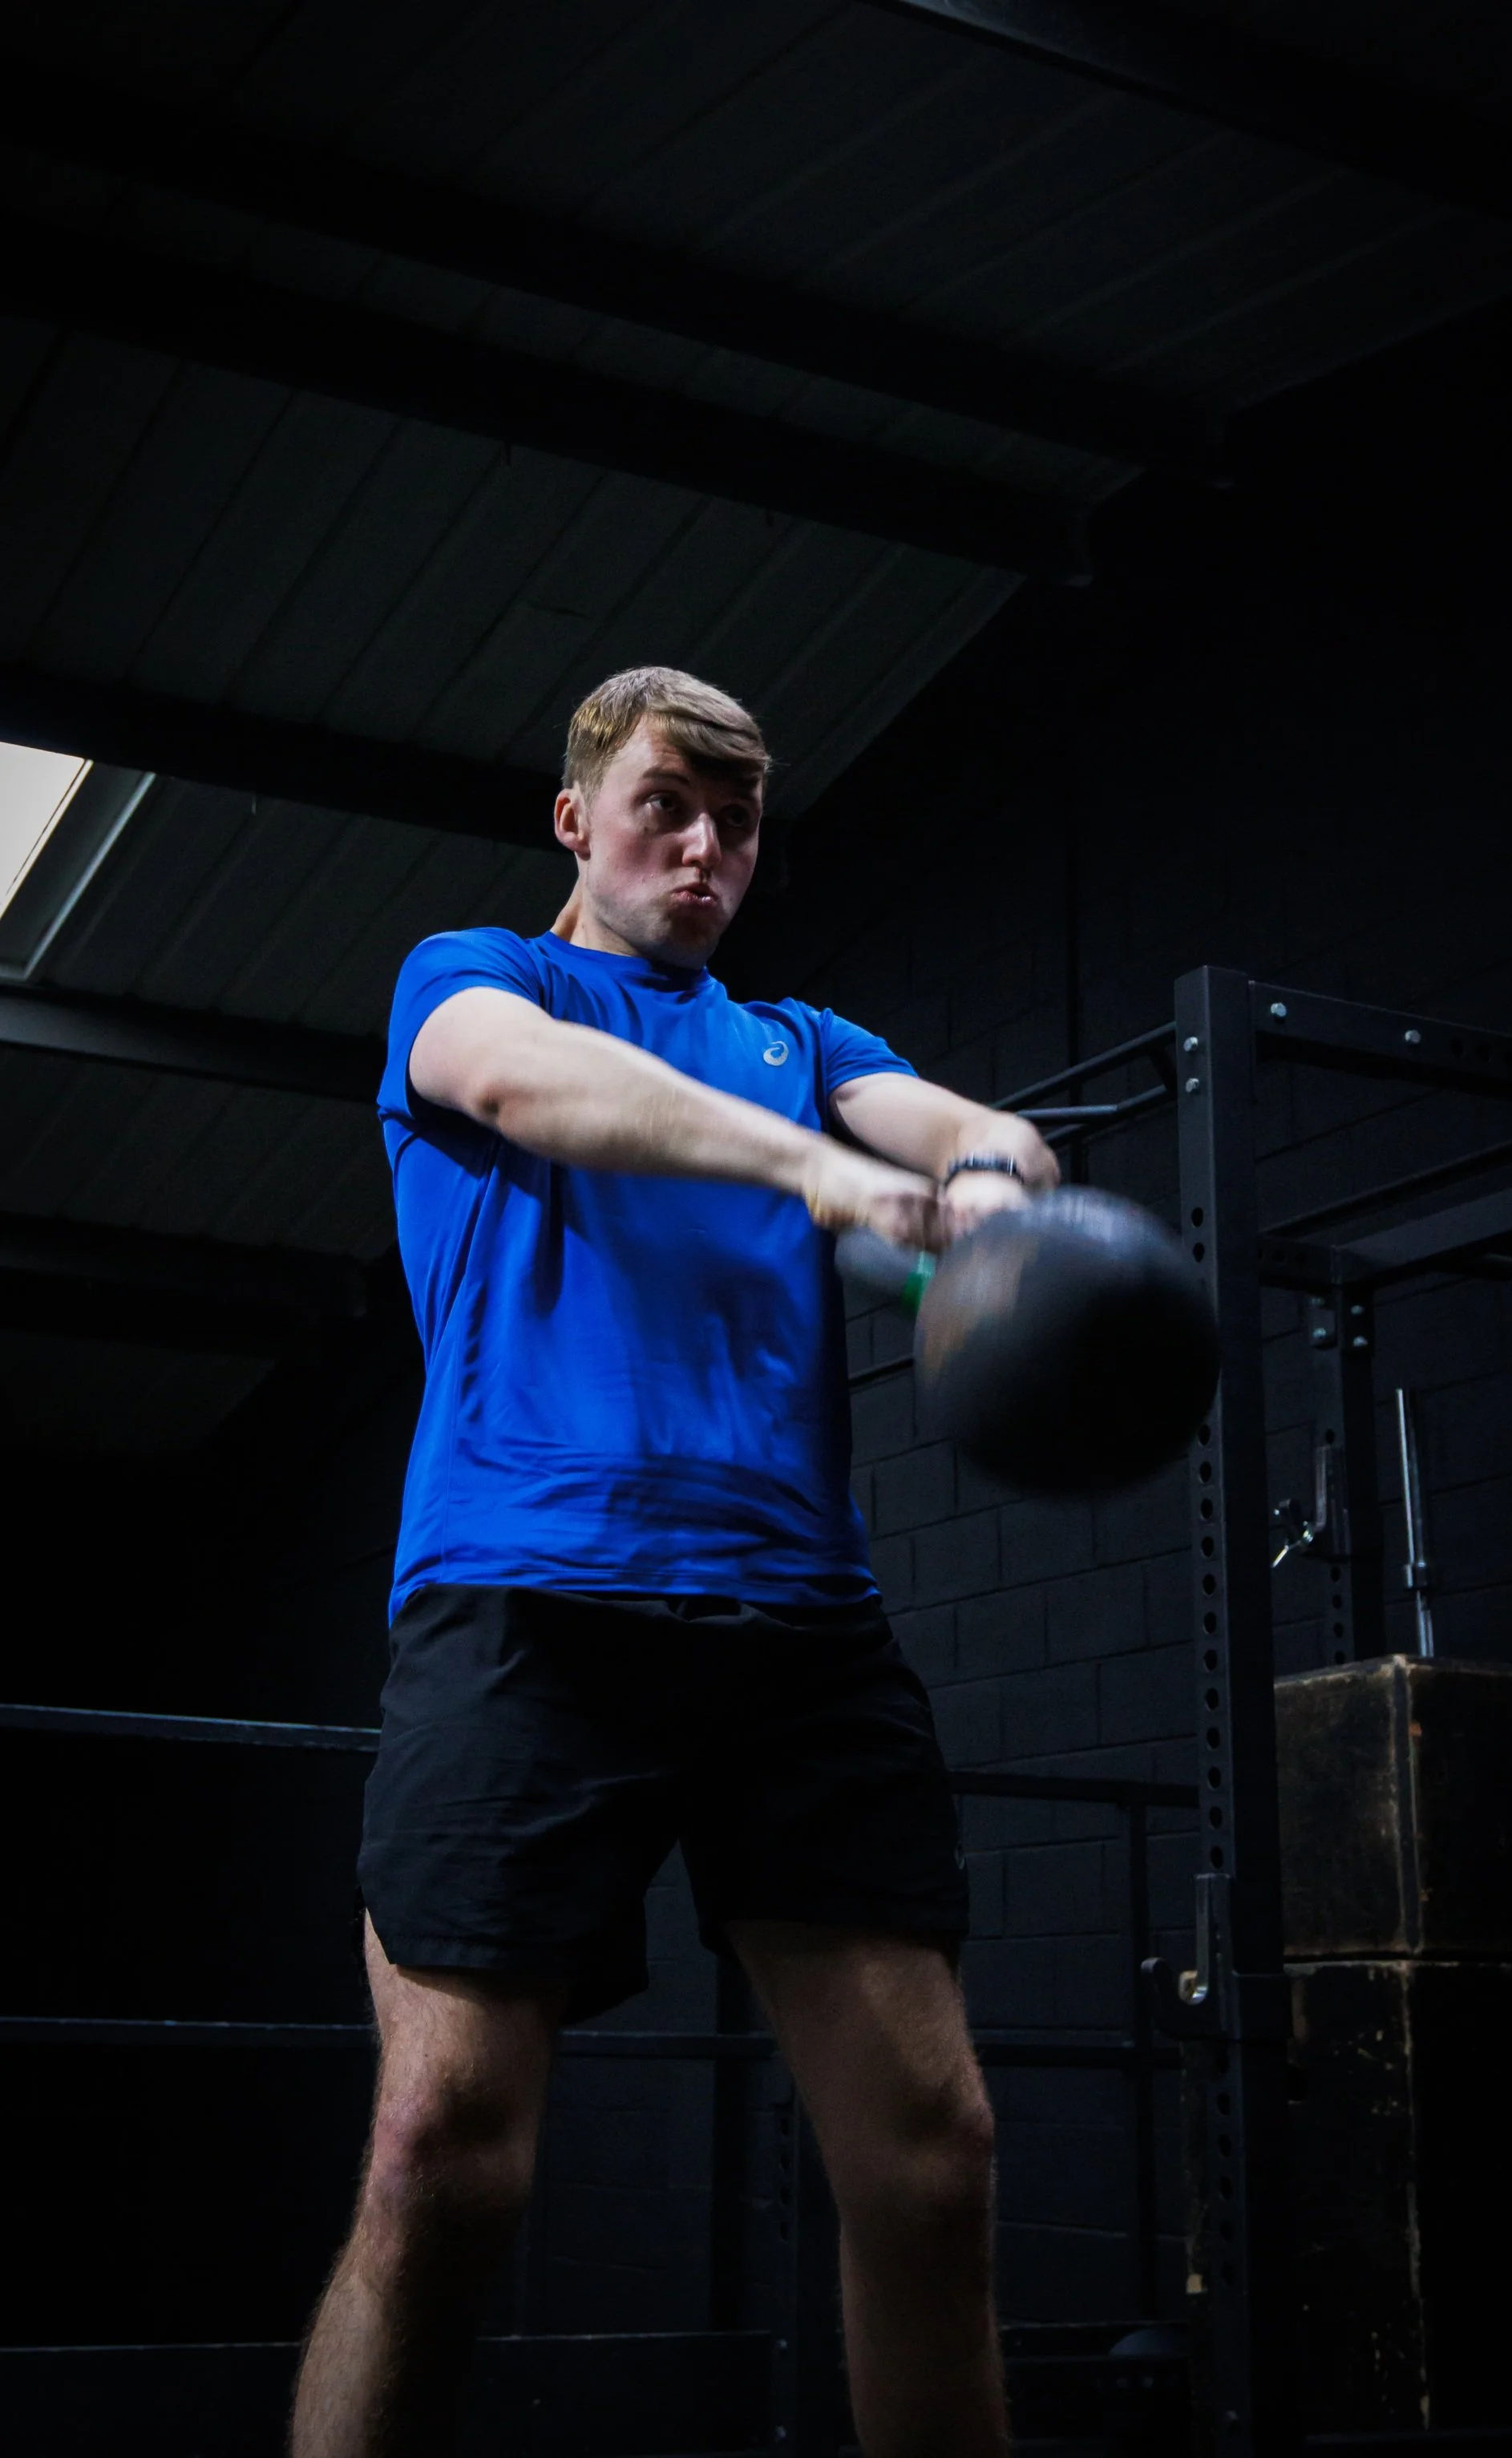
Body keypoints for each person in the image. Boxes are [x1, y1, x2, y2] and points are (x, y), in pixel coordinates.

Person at [291, 666, 1057, 2457]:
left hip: (798, 1631)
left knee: (934, 2164)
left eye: (736, 819)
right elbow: (530, 1087)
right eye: (664, 806)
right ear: (578, 819)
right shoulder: (479, 979)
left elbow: (970, 1129)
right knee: (438, 2165)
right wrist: (822, 1183)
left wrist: (1000, 1195)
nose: (702, 846)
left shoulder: (802, 1039)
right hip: (526, 1608)